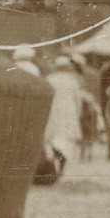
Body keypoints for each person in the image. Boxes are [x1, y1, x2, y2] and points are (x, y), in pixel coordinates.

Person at [41, 54, 84, 182]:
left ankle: (56, 165)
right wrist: (78, 114)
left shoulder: (49, 79)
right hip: (68, 114)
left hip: (53, 112)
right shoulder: (72, 81)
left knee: (53, 140)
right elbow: (78, 100)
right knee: (66, 141)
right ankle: (61, 167)